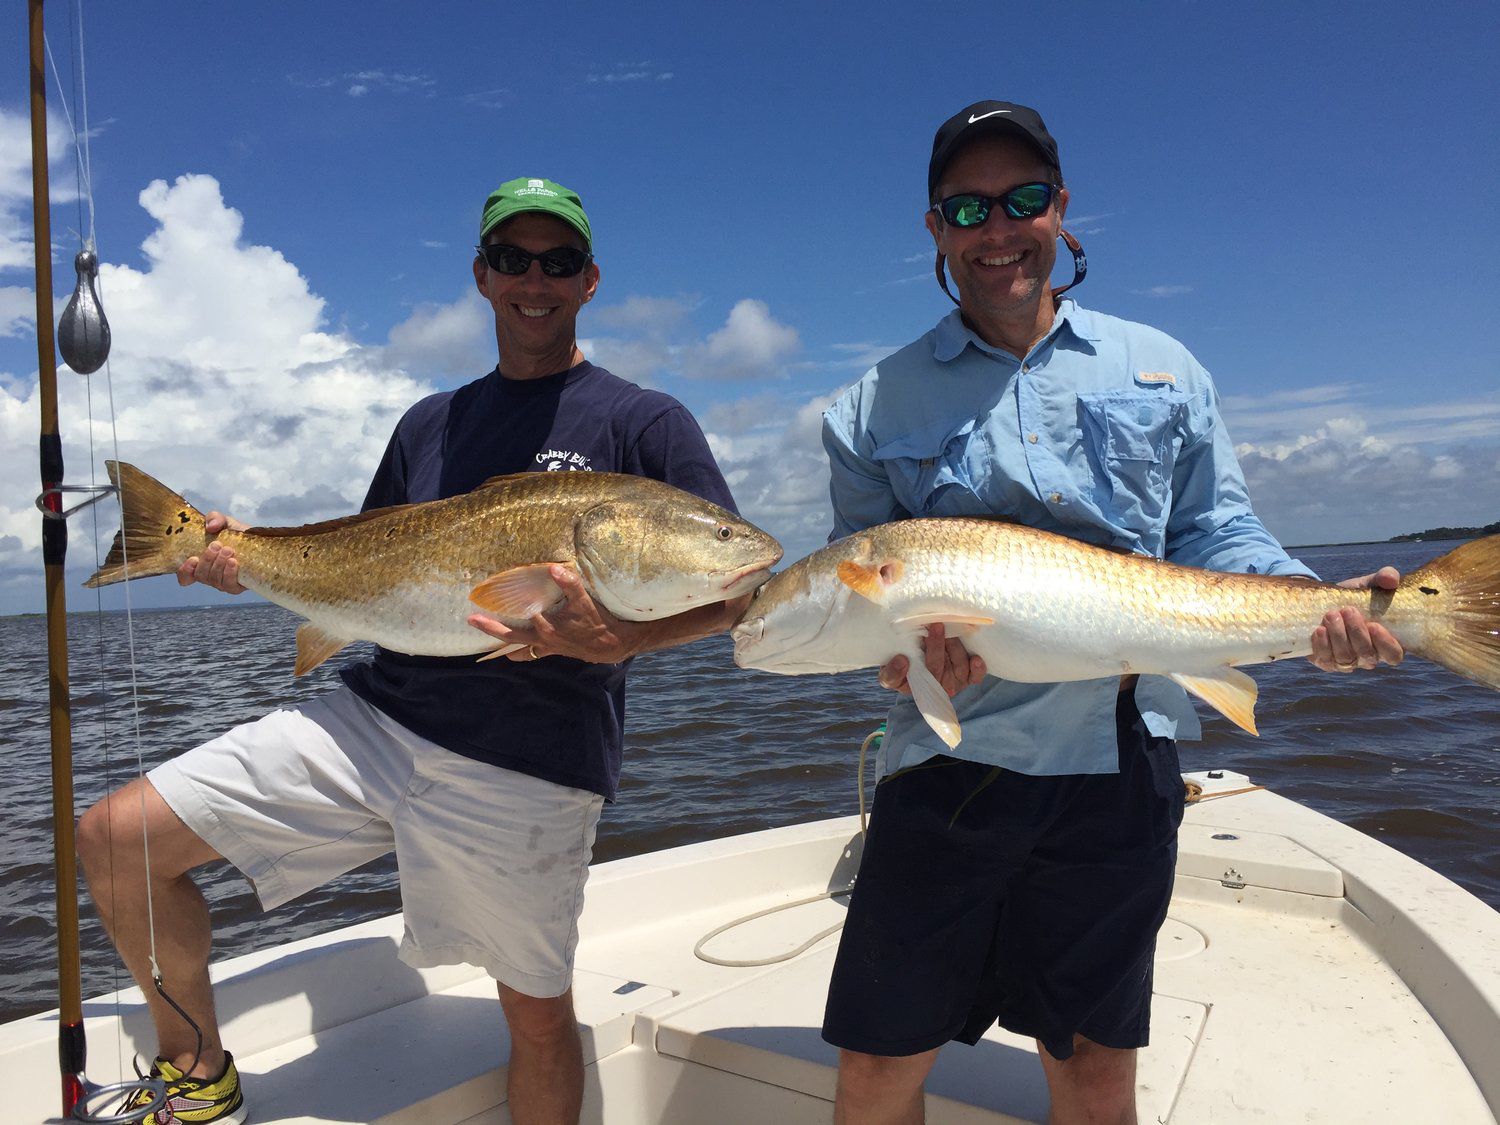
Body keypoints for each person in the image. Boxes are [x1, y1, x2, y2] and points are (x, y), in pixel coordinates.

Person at [76, 176, 749, 1125]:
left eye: (557, 262)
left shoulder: (643, 421)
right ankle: (196, 1073)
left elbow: (738, 589)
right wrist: (241, 555)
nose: (535, 279)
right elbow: (358, 561)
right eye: (513, 259)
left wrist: (625, 640)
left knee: (540, 1018)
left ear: (590, 281)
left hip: (532, 759)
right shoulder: (429, 422)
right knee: (117, 836)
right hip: (377, 716)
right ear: (482, 277)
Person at [817, 102, 1406, 1125]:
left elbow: (1217, 535)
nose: (998, 229)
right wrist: (905, 662)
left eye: (1024, 199)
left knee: (1094, 1068)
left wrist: (1325, 603)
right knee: (878, 1066)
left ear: (1062, 210)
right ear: (936, 230)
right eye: (968, 207)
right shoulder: (868, 408)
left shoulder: (1164, 368)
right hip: (947, 770)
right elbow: (873, 612)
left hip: (1121, 761)